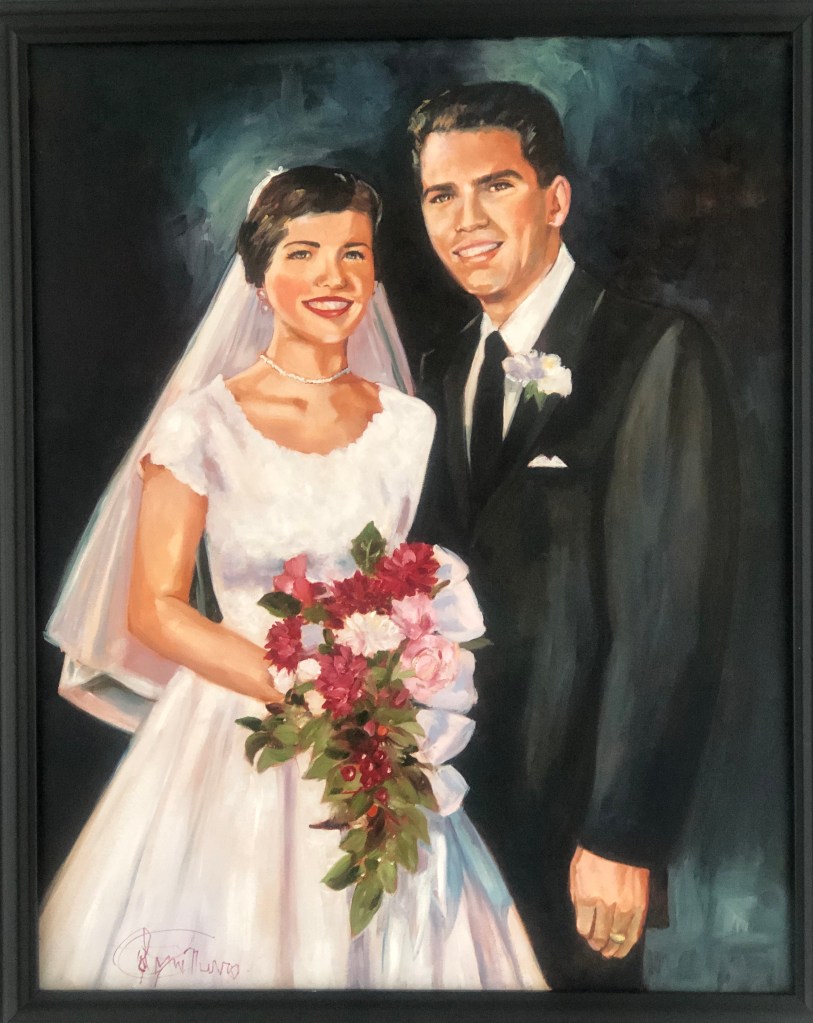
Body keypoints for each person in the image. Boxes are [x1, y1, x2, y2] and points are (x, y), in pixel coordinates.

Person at [39, 166, 545, 990]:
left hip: (376, 737)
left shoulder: (409, 426)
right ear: (257, 274)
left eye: (354, 253)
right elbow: (156, 608)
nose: (332, 277)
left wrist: (391, 681)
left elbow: (413, 582)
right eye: (302, 253)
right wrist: (302, 690)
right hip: (235, 727)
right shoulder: (201, 423)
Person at [408, 82, 740, 990]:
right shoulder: (436, 372)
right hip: (443, 824)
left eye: (495, 186)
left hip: (578, 841)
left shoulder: (653, 350)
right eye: (440, 196)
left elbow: (669, 619)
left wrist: (623, 834)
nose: (465, 220)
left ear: (554, 199)